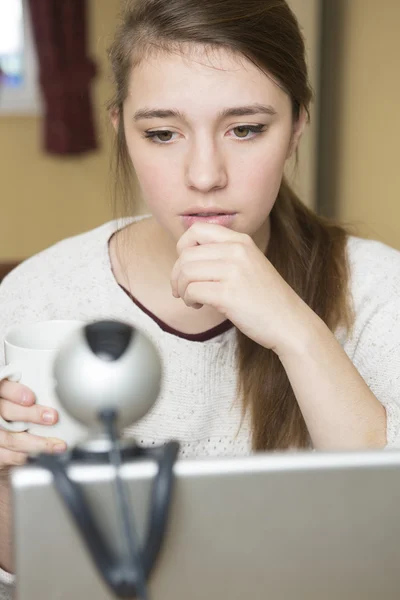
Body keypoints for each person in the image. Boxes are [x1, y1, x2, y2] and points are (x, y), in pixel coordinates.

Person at [1, 0, 400, 595]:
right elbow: (26, 570)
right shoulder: (40, 294)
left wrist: (295, 328)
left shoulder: (377, 290)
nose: (205, 174)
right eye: (163, 133)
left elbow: (388, 536)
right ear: (122, 131)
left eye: (245, 129)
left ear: (297, 127)